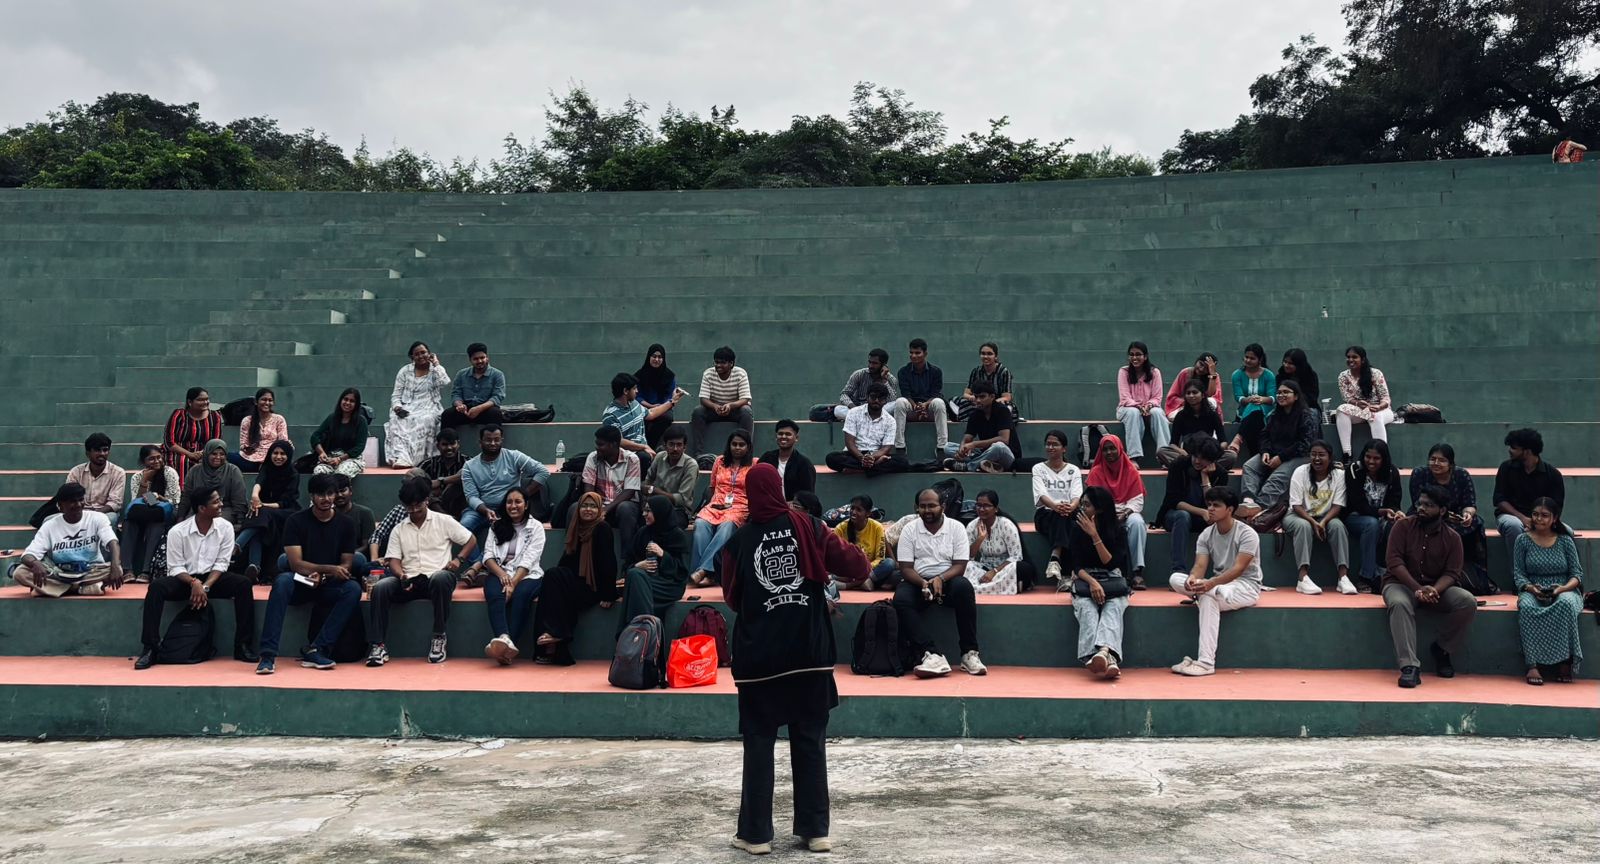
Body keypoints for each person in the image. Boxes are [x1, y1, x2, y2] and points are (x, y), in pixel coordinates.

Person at [724, 463, 866, 855]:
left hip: (759, 662)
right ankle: (815, 830)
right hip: (809, 656)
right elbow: (858, 565)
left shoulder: (738, 541)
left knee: (758, 746)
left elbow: (733, 598)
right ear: (781, 487)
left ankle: (755, 836)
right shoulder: (810, 526)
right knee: (809, 742)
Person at [134, 485, 256, 669]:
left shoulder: (226, 527)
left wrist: (204, 586)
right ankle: (150, 648)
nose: (221, 504)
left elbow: (222, 563)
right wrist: (193, 583)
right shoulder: (178, 531)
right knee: (157, 587)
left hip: (213, 578)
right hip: (185, 578)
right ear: (201, 508)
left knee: (243, 584)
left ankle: (242, 645)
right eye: (216, 502)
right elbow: (175, 567)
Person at [254, 473, 364, 674]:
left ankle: (317, 648)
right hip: (302, 581)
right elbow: (296, 564)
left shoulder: (346, 524)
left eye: (329, 494)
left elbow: (346, 565)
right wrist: (327, 570)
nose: (326, 499)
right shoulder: (296, 521)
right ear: (311, 496)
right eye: (320, 494)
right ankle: (267, 655)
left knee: (353, 588)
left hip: (328, 584)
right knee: (282, 581)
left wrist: (326, 576)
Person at [371, 475, 476, 666]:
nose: (413, 510)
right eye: (408, 507)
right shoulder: (399, 529)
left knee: (440, 578)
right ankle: (378, 645)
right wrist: (400, 574)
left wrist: (458, 560)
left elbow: (470, 539)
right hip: (409, 578)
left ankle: (439, 637)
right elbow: (393, 559)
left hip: (438, 576)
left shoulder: (444, 521)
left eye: (417, 505)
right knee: (381, 587)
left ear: (426, 501)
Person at [1384, 484, 1476, 688]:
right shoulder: (1402, 527)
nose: (1421, 508)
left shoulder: (1453, 538)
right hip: (1401, 584)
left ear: (1442, 510)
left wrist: (1435, 589)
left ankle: (1443, 649)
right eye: (1420, 503)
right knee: (1399, 603)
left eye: (1428, 505)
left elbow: (1452, 572)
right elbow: (1394, 562)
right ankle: (1409, 667)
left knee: (1467, 602)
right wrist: (1417, 588)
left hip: (1435, 589)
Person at [1168, 487, 1263, 676]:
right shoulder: (1206, 534)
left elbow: (1238, 569)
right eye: (1209, 505)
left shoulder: (1247, 534)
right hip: (1217, 586)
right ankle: (1203, 662)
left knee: (1208, 595)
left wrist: (1210, 584)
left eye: (1216, 505)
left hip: (1245, 586)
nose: (1210, 509)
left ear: (1230, 509)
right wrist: (1193, 579)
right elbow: (1199, 566)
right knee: (1175, 579)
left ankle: (1205, 662)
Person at [895, 488, 987, 678]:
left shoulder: (956, 528)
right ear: (916, 508)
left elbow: (960, 565)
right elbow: (905, 568)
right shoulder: (910, 529)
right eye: (922, 506)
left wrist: (940, 578)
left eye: (932, 506)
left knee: (964, 588)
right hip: (917, 581)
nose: (927, 510)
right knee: (901, 599)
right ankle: (931, 654)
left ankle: (969, 654)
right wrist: (923, 583)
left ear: (943, 507)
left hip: (949, 579)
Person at [530, 492, 617, 665]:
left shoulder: (602, 528)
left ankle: (554, 637)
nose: (588, 510)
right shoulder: (576, 527)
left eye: (593, 506)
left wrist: (609, 594)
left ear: (599, 509)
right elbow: (567, 559)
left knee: (555, 580)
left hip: (594, 587)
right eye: (584, 506)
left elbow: (609, 563)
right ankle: (552, 639)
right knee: (552, 576)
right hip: (578, 582)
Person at [1513, 497, 1584, 685]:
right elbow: (1519, 575)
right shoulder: (1522, 540)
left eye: (1544, 515)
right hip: (1533, 588)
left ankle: (1565, 661)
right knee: (1527, 607)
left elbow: (1576, 574)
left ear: (1554, 518)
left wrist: (1562, 589)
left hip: (1564, 588)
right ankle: (1532, 665)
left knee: (1566, 603)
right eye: (1535, 514)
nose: (1539, 519)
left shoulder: (1565, 541)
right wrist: (1531, 588)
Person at [9, 483, 122, 598]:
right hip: (59, 572)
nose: (78, 505)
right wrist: (35, 563)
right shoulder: (50, 525)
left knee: (115, 569)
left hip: (91, 571)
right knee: (20, 573)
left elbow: (112, 542)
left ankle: (54, 589)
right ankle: (82, 588)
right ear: (61, 506)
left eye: (81, 500)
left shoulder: (97, 518)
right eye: (72, 501)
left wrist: (116, 565)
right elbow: (27, 555)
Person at [1065, 486, 1132, 679]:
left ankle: (1101, 654)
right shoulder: (1077, 529)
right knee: (1087, 608)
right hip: (1085, 578)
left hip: (1112, 577)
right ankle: (1104, 655)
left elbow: (1111, 563)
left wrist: (1094, 535)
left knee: (1114, 607)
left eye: (1086, 505)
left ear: (1100, 509)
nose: (1082, 509)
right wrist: (1093, 582)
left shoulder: (1118, 530)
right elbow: (1076, 566)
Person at [461, 424, 551, 558]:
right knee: (463, 527)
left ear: (502, 440)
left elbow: (542, 472)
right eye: (488, 440)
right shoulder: (469, 466)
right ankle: (477, 567)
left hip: (509, 508)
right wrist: (486, 510)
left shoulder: (513, 456)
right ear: (480, 442)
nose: (493, 443)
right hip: (481, 509)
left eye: (497, 439)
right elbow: (471, 496)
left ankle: (482, 567)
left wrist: (523, 495)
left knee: (506, 530)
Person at [478, 487, 544, 665]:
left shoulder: (536, 527)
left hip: (528, 575)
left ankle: (506, 648)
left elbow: (530, 560)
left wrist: (513, 583)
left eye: (518, 502)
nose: (513, 506)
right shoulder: (496, 525)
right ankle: (505, 638)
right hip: (499, 572)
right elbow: (488, 556)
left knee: (521, 595)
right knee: (494, 593)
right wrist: (502, 576)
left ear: (526, 504)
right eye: (509, 502)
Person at [1409, 443, 1489, 586]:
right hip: (1425, 514)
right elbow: (1418, 503)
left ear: (1451, 463)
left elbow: (1469, 503)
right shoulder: (1420, 474)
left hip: (1455, 517)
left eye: (1442, 460)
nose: (1436, 463)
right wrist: (1442, 516)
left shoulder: (1461, 475)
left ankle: (1472, 571)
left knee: (1476, 522)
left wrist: (1467, 515)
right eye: (1432, 459)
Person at [1283, 441, 1353, 595]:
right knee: (1303, 526)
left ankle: (1343, 578)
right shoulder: (1300, 472)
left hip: (1326, 516)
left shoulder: (1339, 475)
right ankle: (1303, 578)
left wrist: (1323, 522)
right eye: (1313, 454)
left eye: (1321, 455)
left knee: (1338, 526)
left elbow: (1337, 505)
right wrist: (1314, 522)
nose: (1316, 458)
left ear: (1330, 457)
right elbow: (1296, 505)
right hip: (1297, 515)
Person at [616, 494, 691, 636]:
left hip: (668, 584)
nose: (644, 514)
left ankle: (634, 635)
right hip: (645, 581)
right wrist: (638, 565)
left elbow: (681, 573)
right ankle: (647, 635)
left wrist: (663, 554)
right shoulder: (643, 533)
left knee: (634, 580)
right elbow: (628, 564)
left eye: (648, 511)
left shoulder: (677, 535)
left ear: (660, 512)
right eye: (644, 510)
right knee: (635, 575)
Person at [1240, 380, 1318, 513]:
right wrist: (1265, 451)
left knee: (1277, 477)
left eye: (1286, 392)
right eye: (1279, 393)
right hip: (1274, 453)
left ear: (1296, 396)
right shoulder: (1274, 414)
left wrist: (1280, 458)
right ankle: (1248, 501)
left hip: (1299, 456)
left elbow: (1305, 443)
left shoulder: (1307, 415)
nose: (1281, 395)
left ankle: (1261, 507)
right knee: (1249, 466)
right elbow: (1264, 435)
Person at [689, 429, 754, 587]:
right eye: (734, 444)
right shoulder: (719, 461)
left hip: (740, 505)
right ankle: (706, 573)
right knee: (701, 524)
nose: (737, 448)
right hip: (717, 503)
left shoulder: (754, 464)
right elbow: (712, 486)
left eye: (741, 445)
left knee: (727, 526)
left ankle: (704, 571)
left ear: (748, 447)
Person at [1156, 436, 1225, 577]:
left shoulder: (1220, 474)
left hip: (1205, 520)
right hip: (1175, 515)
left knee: (1225, 521)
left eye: (1203, 458)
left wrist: (1205, 478)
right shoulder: (1179, 465)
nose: (1197, 461)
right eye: (1195, 456)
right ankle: (1178, 572)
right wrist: (1201, 512)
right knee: (1183, 516)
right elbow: (1173, 501)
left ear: (1212, 460)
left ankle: (1222, 573)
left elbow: (1215, 505)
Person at [1086, 434, 1148, 590]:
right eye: (1105, 449)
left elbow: (1137, 501)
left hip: (1126, 512)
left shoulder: (1131, 471)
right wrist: (1108, 514)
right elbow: (1092, 498)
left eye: (1112, 448)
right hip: (1102, 513)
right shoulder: (1096, 472)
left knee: (1137, 522)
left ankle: (1137, 572)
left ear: (1120, 449)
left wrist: (1124, 514)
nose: (1109, 452)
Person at [1493, 427, 1566, 556]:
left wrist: (1536, 522)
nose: (1510, 451)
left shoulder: (1552, 474)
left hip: (1541, 518)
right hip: (1511, 516)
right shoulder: (1506, 468)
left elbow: (1556, 507)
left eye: (1514, 448)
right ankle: (1519, 574)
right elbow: (1499, 499)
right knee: (1514, 526)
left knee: (1568, 532)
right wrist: (1522, 518)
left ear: (1527, 452)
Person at [234, 440, 299, 581]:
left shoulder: (293, 473)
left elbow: (285, 502)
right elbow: (259, 482)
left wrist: (262, 505)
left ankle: (237, 545)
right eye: (275, 453)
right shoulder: (267, 467)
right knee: (259, 523)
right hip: (264, 512)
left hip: (286, 511)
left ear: (288, 456)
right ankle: (254, 567)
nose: (278, 456)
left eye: (282, 454)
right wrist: (255, 496)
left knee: (260, 514)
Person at [1344, 439, 1403, 593]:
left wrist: (1394, 512)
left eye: (1376, 458)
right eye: (1368, 457)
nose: (1371, 461)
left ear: (1384, 459)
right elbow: (1357, 503)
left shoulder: (1392, 472)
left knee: (1397, 525)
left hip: (1382, 516)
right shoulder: (1353, 469)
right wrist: (1380, 512)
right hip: (1355, 516)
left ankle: (1388, 574)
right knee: (1371, 524)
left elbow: (1395, 500)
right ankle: (1366, 577)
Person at [385, 341, 451, 469]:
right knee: (396, 418)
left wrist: (436, 363)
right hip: (408, 406)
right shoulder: (405, 371)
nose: (421, 356)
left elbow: (445, 381)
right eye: (417, 354)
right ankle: (402, 458)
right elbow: (396, 395)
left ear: (429, 353)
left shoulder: (435, 370)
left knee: (424, 419)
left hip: (429, 406)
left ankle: (419, 460)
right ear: (412, 357)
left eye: (423, 353)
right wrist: (397, 407)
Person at [578, 426, 643, 553]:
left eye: (601, 444)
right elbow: (588, 488)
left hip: (621, 506)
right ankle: (576, 556)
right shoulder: (593, 457)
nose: (597, 447)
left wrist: (605, 510)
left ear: (613, 445)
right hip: (599, 505)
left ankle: (628, 559)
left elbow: (630, 491)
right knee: (575, 508)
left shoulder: (632, 459)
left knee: (626, 509)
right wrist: (593, 508)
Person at [122, 445, 181, 579]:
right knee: (129, 522)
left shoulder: (169, 472)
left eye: (159, 457)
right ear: (144, 462)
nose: (157, 461)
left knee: (156, 523)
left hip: (164, 513)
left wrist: (158, 498)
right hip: (144, 512)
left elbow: (175, 500)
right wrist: (145, 481)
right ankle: (127, 570)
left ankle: (146, 571)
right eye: (151, 459)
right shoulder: (137, 477)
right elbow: (135, 503)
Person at [1033, 429, 1084, 584]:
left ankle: (1056, 560)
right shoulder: (1038, 468)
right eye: (1048, 444)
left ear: (1064, 448)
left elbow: (1077, 495)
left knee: (1068, 521)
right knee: (1063, 519)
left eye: (1055, 444)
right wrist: (1056, 506)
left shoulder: (1073, 470)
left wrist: (1071, 506)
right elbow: (1041, 494)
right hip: (1045, 515)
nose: (1050, 447)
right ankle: (1070, 572)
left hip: (1069, 512)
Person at [604, 372, 678, 476]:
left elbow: (650, 413)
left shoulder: (634, 404)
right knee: (644, 457)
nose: (637, 391)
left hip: (642, 449)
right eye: (634, 389)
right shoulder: (610, 415)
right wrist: (643, 447)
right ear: (625, 391)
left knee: (665, 453)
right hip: (626, 455)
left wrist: (672, 401)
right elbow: (618, 441)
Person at [826, 384, 909, 476]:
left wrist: (871, 457)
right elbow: (849, 442)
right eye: (873, 397)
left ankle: (858, 469)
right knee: (831, 458)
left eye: (880, 398)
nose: (876, 400)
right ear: (867, 397)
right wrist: (862, 458)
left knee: (902, 461)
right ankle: (873, 469)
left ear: (885, 401)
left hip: (876, 455)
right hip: (854, 455)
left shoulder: (890, 421)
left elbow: (886, 448)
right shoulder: (854, 413)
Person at [690, 345, 754, 454]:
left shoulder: (740, 374)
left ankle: (746, 453)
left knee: (746, 411)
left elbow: (745, 398)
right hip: (714, 411)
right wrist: (715, 406)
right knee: (698, 411)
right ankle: (698, 454)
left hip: (735, 410)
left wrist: (730, 405)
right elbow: (703, 399)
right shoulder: (708, 373)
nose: (718, 365)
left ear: (731, 364)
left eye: (723, 363)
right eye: (716, 362)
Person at [1333, 345, 1394, 460]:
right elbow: (1347, 398)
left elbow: (1386, 398)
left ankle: (1382, 455)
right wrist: (1357, 403)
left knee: (1375, 416)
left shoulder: (1375, 373)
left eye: (1354, 357)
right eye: (1348, 357)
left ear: (1363, 359)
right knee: (1341, 409)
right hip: (1360, 409)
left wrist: (1378, 407)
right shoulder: (1343, 376)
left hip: (1382, 410)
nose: (1350, 360)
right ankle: (1347, 454)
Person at [964, 490, 1030, 595]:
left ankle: (978, 588)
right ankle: (1003, 587)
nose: (981, 509)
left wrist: (994, 572)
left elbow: (1016, 557)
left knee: (1022, 568)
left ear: (995, 509)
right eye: (978, 505)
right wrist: (980, 538)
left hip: (1004, 570)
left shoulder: (1006, 525)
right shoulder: (972, 526)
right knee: (966, 565)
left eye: (986, 506)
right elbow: (967, 557)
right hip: (983, 570)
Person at [1158, 380, 1234, 470]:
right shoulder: (1181, 415)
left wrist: (1214, 452)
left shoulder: (1212, 415)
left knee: (1231, 456)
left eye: (1194, 392)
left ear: (1202, 395)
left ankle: (1189, 468)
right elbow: (1173, 444)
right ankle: (1202, 467)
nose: (1191, 395)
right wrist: (1182, 452)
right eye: (1188, 393)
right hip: (1188, 455)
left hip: (1207, 453)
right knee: (1162, 451)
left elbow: (1223, 441)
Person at [943, 381, 1015, 473]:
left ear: (992, 397)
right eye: (976, 397)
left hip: (1006, 456)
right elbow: (967, 439)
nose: (978, 400)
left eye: (982, 397)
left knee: (998, 447)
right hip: (985, 453)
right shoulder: (975, 414)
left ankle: (968, 466)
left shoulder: (1002, 410)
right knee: (948, 447)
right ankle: (986, 464)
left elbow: (1004, 439)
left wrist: (974, 444)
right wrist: (962, 451)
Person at [894, 337, 949, 456]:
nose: (913, 356)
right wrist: (916, 407)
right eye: (911, 352)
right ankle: (900, 447)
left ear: (925, 354)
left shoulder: (936, 371)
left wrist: (925, 405)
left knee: (939, 402)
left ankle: (942, 447)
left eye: (917, 353)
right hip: (912, 409)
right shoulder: (903, 372)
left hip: (929, 409)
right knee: (899, 402)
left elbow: (935, 393)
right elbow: (906, 394)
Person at [1115, 341, 1168, 461]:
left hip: (1149, 408)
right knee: (1133, 412)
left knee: (1158, 413)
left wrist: (1149, 406)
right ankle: (1133, 457)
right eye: (1131, 354)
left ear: (1145, 356)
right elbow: (1125, 398)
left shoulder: (1155, 372)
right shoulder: (1124, 372)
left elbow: (1157, 397)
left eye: (1138, 354)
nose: (1134, 358)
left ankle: (1165, 456)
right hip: (1127, 409)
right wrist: (1138, 407)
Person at [833, 494, 897, 590]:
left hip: (869, 570)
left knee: (889, 563)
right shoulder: (840, 528)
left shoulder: (877, 527)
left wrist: (864, 568)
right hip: (848, 571)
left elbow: (879, 558)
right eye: (852, 508)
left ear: (868, 513)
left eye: (858, 510)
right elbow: (836, 558)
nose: (853, 512)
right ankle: (862, 582)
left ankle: (855, 583)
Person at [177, 439, 249, 524]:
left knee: (212, 523)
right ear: (207, 454)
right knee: (191, 525)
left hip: (224, 509)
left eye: (222, 454)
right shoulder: (195, 471)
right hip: (199, 509)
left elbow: (239, 499)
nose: (218, 457)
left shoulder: (233, 471)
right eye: (214, 454)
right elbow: (186, 497)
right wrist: (180, 518)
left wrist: (240, 521)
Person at [163, 387, 222, 488]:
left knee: (208, 462)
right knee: (182, 461)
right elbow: (169, 441)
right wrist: (190, 454)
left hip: (205, 452)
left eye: (207, 399)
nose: (205, 402)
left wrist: (203, 453)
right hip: (179, 451)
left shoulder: (215, 416)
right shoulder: (179, 414)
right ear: (190, 402)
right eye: (200, 400)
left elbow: (216, 441)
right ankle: (181, 494)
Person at [64, 432, 126, 529]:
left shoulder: (118, 472)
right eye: (97, 450)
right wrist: (83, 514)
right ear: (88, 453)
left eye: (105, 450)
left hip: (104, 513)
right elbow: (69, 497)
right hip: (79, 511)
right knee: (49, 519)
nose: (102, 454)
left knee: (110, 518)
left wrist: (94, 515)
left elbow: (115, 503)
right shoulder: (76, 472)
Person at [645, 426, 700, 528]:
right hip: (655, 506)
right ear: (665, 445)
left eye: (679, 445)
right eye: (671, 444)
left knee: (670, 523)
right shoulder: (659, 457)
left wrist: (656, 491)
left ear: (684, 447)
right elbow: (648, 481)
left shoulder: (691, 465)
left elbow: (682, 500)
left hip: (678, 510)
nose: (675, 449)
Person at [441, 342, 506, 428]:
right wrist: (459, 405)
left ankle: (492, 440)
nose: (479, 361)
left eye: (482, 357)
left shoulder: (497, 375)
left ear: (487, 358)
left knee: (495, 413)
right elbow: (456, 394)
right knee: (447, 414)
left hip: (486, 409)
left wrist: (479, 409)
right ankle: (449, 440)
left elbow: (497, 396)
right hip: (465, 411)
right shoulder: (461, 374)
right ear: (470, 360)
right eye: (475, 359)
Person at [635, 344, 686, 448]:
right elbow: (637, 396)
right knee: (641, 417)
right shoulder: (639, 375)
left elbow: (670, 397)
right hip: (644, 407)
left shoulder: (669, 376)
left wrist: (660, 407)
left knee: (667, 417)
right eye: (654, 356)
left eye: (660, 357)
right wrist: (650, 406)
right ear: (649, 357)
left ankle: (650, 445)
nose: (657, 359)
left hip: (664, 408)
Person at [310, 387, 369, 478]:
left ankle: (342, 492)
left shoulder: (361, 421)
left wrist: (340, 459)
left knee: (340, 475)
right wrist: (322, 453)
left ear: (356, 404)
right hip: (330, 458)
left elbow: (360, 447)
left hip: (351, 459)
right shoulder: (332, 418)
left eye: (352, 401)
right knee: (319, 472)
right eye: (345, 399)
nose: (348, 403)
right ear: (341, 400)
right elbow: (315, 436)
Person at [1229, 343, 1276, 455]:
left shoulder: (1268, 375)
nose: (1248, 360)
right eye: (1246, 357)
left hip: (1266, 412)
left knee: (1256, 410)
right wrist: (1250, 400)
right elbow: (1238, 397)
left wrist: (1261, 400)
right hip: (1244, 411)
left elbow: (1273, 398)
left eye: (1252, 358)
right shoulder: (1237, 375)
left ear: (1260, 359)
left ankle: (1238, 438)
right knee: (1254, 412)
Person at [952, 342, 1016, 421]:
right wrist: (972, 398)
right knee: (955, 400)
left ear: (995, 356)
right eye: (983, 354)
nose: (985, 356)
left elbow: (1007, 397)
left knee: (1007, 407)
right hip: (978, 402)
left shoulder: (1004, 372)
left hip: (995, 403)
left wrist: (989, 401)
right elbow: (966, 394)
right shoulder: (976, 371)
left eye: (989, 354)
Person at [833, 348, 900, 421]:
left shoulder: (891, 380)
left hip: (879, 409)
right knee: (837, 410)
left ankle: (862, 419)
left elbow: (892, 400)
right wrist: (854, 408)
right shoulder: (859, 374)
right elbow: (844, 394)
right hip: (859, 408)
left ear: (884, 365)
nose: (870, 366)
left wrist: (884, 380)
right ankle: (867, 419)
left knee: (896, 404)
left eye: (875, 363)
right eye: (870, 362)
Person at [757, 419, 816, 501]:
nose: (783, 437)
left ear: (796, 438)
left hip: (792, 510)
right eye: (780, 434)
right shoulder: (767, 458)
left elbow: (808, 495)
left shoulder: (804, 464)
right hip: (768, 507)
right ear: (776, 437)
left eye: (788, 434)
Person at [233, 387, 289, 472]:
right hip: (250, 458)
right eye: (264, 399)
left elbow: (283, 442)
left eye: (270, 400)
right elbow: (243, 444)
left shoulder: (279, 419)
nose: (267, 403)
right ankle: (262, 468)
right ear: (256, 402)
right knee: (228, 456)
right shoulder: (247, 420)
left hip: (272, 458)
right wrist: (246, 448)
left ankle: (264, 467)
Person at [418, 428, 468, 516]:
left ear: (458, 444)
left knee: (465, 473)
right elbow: (413, 483)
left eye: (452, 444)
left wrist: (440, 481)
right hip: (432, 507)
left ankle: (446, 517)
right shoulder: (429, 463)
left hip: (458, 506)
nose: (449, 448)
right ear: (438, 446)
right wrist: (429, 487)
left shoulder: (467, 462)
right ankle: (445, 516)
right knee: (414, 474)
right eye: (444, 444)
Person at [331, 474, 377, 566]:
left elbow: (366, 545)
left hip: (356, 558)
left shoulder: (364, 513)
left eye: (343, 491)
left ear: (350, 490)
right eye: (335, 492)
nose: (339, 495)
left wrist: (346, 556)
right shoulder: (327, 515)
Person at [1163, 352, 1222, 419]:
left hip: (1205, 411)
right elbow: (1172, 398)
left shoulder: (1214, 376)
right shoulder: (1185, 373)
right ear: (1197, 361)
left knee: (1211, 401)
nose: (1201, 369)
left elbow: (1213, 397)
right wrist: (1190, 402)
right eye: (1201, 364)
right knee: (1176, 416)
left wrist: (1212, 375)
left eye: (1206, 368)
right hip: (1184, 407)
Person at [1275, 348, 1321, 416]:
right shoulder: (1280, 376)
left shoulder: (1310, 376)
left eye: (1290, 363)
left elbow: (1312, 397)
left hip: (1307, 408)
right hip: (1284, 408)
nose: (1286, 365)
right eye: (1285, 362)